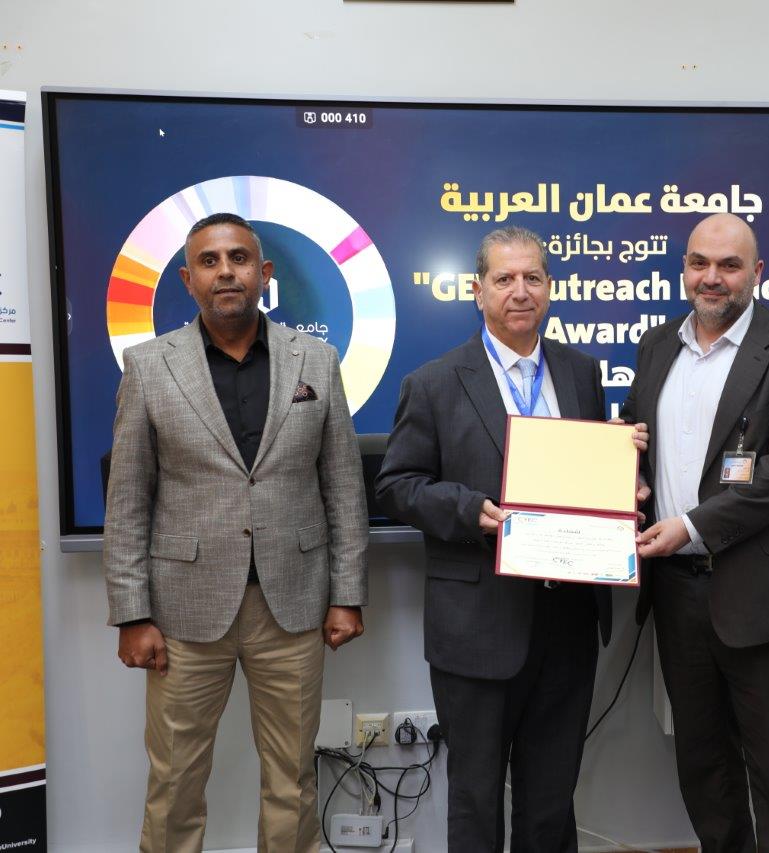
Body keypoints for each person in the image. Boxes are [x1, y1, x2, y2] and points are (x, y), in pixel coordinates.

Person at [375, 225, 647, 851]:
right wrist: (469, 510)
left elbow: (581, 477)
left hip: (568, 621)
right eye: (504, 279)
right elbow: (395, 486)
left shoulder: (581, 372)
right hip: (477, 624)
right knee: (475, 800)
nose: (520, 291)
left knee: (551, 801)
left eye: (533, 278)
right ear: (478, 291)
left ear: (549, 288)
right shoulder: (434, 382)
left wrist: (621, 480)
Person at [103, 212, 368, 852]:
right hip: (182, 614)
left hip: (294, 607)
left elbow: (342, 486)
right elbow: (128, 500)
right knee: (174, 781)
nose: (226, 272)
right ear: (188, 279)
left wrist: (347, 594)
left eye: (240, 259)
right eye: (210, 261)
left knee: (292, 781)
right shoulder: (148, 366)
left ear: (264, 273)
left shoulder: (316, 359)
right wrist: (132, 613)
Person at [622, 212, 769, 852]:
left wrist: (688, 526)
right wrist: (630, 481)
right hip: (678, 595)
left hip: (764, 596)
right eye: (699, 263)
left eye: (729, 265)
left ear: (757, 273)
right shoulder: (656, 346)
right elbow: (639, 444)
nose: (711, 278)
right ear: (684, 268)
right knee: (703, 765)